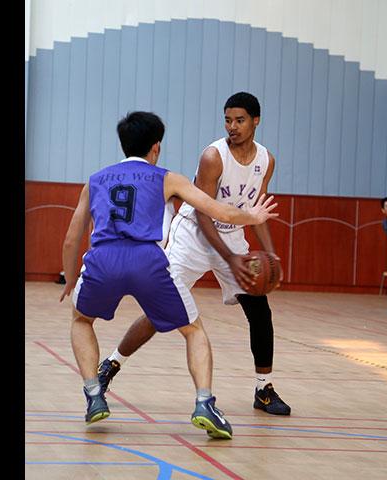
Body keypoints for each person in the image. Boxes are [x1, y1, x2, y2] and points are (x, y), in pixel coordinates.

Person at [58, 111, 279, 439]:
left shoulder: (96, 179)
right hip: (148, 261)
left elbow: (72, 235)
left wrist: (71, 277)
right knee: (193, 330)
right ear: (156, 147)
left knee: (81, 319)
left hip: (103, 260)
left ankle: (93, 395)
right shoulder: (167, 178)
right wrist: (251, 215)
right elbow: (215, 209)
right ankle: (204, 403)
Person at [97, 92, 294, 417]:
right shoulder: (213, 156)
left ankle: (264, 388)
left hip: (232, 234)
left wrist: (272, 257)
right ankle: (111, 364)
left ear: (256, 121)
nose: (232, 126)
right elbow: (203, 214)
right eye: (228, 120)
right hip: (194, 234)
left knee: (260, 310)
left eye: (240, 120)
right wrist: (229, 259)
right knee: (160, 310)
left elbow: (257, 211)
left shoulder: (266, 160)